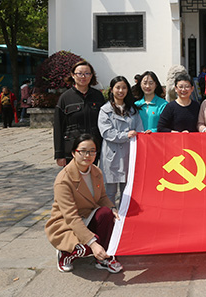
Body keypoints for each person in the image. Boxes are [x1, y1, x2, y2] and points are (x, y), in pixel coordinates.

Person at [45, 134, 123, 274]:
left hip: (87, 215)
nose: (88, 155)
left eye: (92, 151)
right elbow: (71, 217)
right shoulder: (63, 180)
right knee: (86, 247)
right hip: (67, 223)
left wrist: (112, 208)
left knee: (107, 213)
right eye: (83, 151)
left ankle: (103, 258)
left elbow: (102, 197)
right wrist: (92, 243)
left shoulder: (96, 172)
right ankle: (65, 254)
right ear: (74, 153)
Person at [98, 76, 143, 206]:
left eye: (124, 87)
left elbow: (139, 129)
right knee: (110, 192)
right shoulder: (105, 110)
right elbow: (106, 132)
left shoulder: (133, 110)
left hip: (129, 155)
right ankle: (110, 215)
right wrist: (126, 135)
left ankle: (124, 216)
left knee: (127, 191)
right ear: (111, 89)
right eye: (118, 87)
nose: (121, 91)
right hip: (111, 155)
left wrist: (142, 135)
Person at [54, 61, 106, 167]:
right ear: (73, 75)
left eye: (87, 73)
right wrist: (59, 154)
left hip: (92, 149)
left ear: (91, 76)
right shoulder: (65, 98)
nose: (83, 76)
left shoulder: (98, 96)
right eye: (79, 73)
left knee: (92, 177)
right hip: (72, 149)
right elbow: (58, 127)